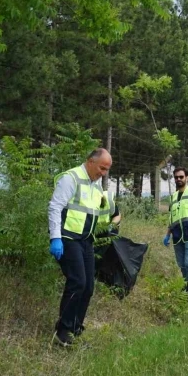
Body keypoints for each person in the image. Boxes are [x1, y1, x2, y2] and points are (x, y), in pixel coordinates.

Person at [48, 148, 112, 347]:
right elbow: (55, 207)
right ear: (90, 162)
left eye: (107, 170)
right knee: (77, 282)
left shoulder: (96, 185)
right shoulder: (71, 178)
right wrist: (55, 238)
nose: (103, 173)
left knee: (88, 287)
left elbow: (95, 212)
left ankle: (75, 328)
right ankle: (62, 331)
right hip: (68, 238)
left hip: (86, 240)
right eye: (102, 168)